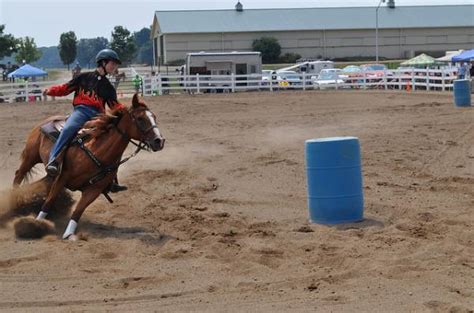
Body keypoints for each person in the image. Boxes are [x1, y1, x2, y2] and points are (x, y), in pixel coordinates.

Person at [43, 48, 127, 192]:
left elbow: (115, 106)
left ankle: (111, 179)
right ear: (103, 62)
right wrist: (50, 90)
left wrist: (128, 111)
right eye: (113, 63)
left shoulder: (108, 87)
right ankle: (54, 160)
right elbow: (65, 88)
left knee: (113, 139)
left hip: (98, 115)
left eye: (115, 64)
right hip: (81, 111)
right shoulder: (83, 77)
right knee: (69, 129)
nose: (115, 67)